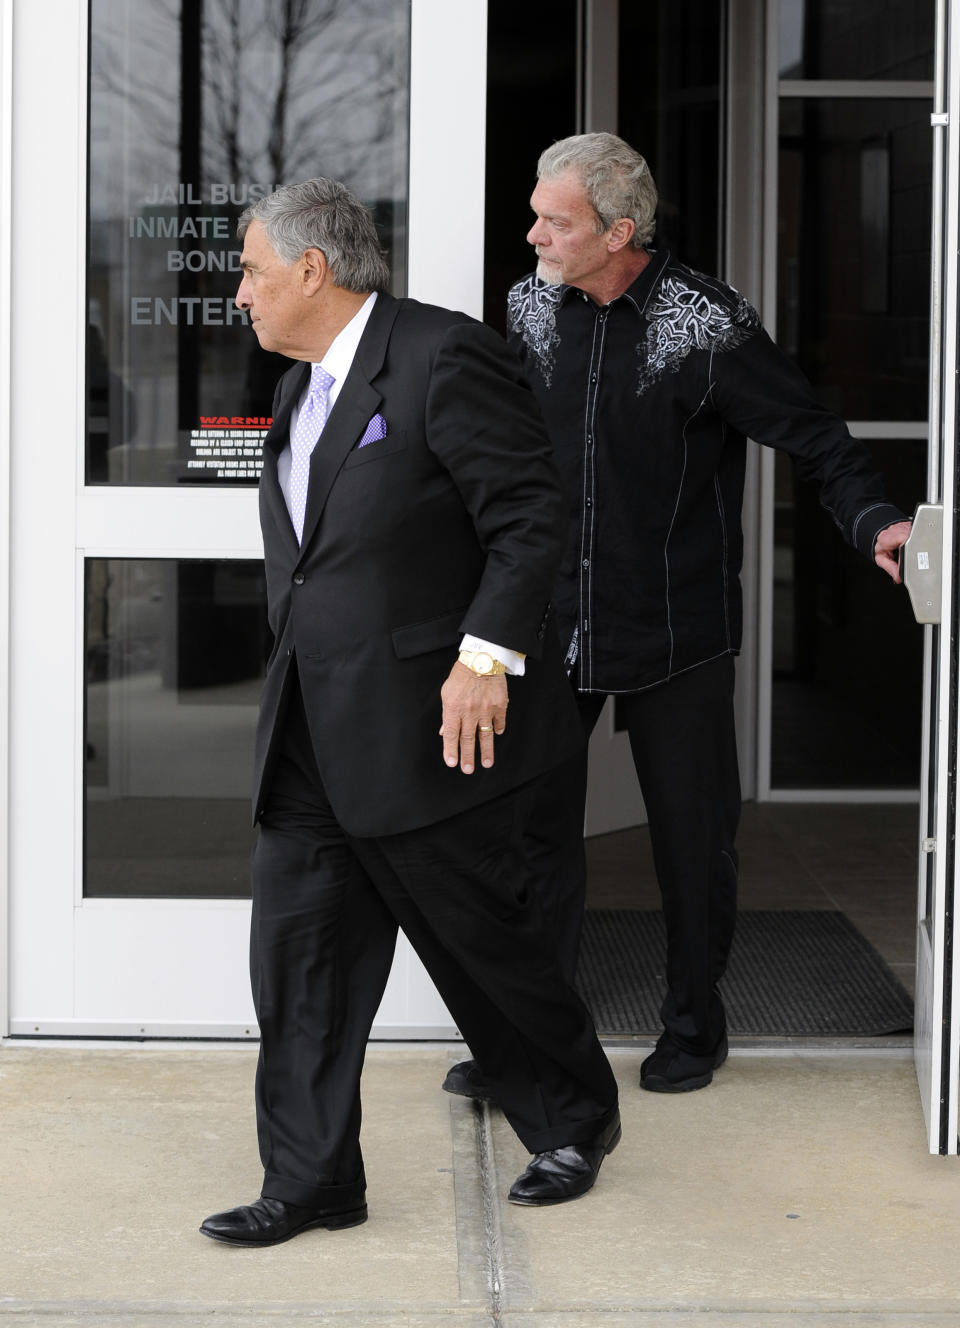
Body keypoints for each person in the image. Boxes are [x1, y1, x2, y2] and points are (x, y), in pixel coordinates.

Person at [442, 132, 912, 1104]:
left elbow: (814, 434)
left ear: (619, 232)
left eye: (553, 220)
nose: (530, 232)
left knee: (693, 842)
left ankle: (695, 1022)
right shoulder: (529, 308)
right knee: (531, 836)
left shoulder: (704, 323)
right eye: (534, 212)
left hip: (674, 625)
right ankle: (535, 1037)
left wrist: (872, 518)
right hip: (552, 621)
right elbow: (502, 457)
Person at [198, 178, 620, 1248]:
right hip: (309, 728)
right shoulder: (297, 388)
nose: (238, 293)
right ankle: (311, 1179)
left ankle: (574, 1119)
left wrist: (486, 655)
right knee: (298, 962)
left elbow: (530, 515)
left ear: (310, 269)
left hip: (431, 725)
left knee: (484, 943)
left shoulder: (443, 356)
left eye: (249, 269)